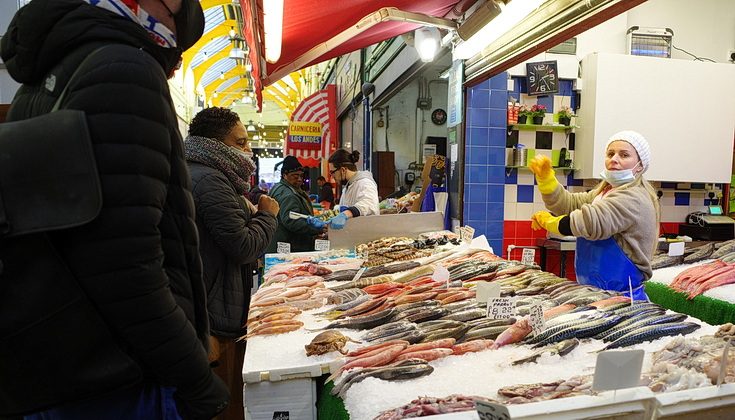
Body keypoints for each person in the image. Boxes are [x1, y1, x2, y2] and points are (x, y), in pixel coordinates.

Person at [0, 0, 229, 418]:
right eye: (179, 40)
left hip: (55, 361)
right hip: (118, 377)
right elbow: (125, 265)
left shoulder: (50, 73)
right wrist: (195, 376)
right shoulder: (125, 70)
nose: (175, 60)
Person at [185, 107, 279, 420]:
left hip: (213, 306)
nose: (248, 150)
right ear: (216, 143)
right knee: (223, 405)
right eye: (241, 143)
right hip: (215, 315)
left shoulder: (202, 173)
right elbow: (243, 246)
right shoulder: (210, 181)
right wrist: (267, 214)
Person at [529, 130, 660, 300]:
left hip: (623, 298)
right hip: (596, 293)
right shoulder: (605, 191)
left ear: (640, 165)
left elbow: (590, 222)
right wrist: (547, 180)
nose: (614, 159)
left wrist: (550, 222)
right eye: (611, 153)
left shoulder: (634, 196)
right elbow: (569, 204)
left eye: (624, 155)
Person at [267, 156, 326, 253]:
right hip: (291, 247)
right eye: (295, 176)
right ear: (284, 175)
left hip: (280, 244)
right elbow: (291, 221)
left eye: (301, 176)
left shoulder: (279, 187)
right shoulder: (288, 195)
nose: (299, 179)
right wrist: (317, 229)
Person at [327, 149, 380, 229]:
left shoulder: (365, 183)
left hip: (366, 235)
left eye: (332, 172)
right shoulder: (347, 188)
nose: (332, 176)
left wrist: (346, 214)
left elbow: (369, 204)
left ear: (343, 170)